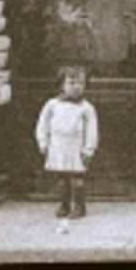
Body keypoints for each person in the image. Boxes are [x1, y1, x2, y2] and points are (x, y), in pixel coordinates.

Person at [36, 65, 98, 219]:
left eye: (80, 83)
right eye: (71, 83)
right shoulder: (52, 105)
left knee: (77, 180)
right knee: (62, 180)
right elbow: (42, 123)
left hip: (76, 148)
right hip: (58, 147)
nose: (76, 87)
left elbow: (92, 130)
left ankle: (79, 206)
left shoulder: (86, 108)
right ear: (62, 85)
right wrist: (43, 142)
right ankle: (63, 205)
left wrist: (88, 150)